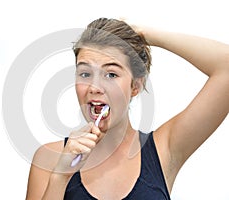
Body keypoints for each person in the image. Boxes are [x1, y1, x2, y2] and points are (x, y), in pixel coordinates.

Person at [26, 18, 229, 200]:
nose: (94, 87)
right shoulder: (49, 158)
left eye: (111, 74)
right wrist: (60, 177)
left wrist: (146, 34)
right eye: (85, 74)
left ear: (135, 86)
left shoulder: (163, 149)